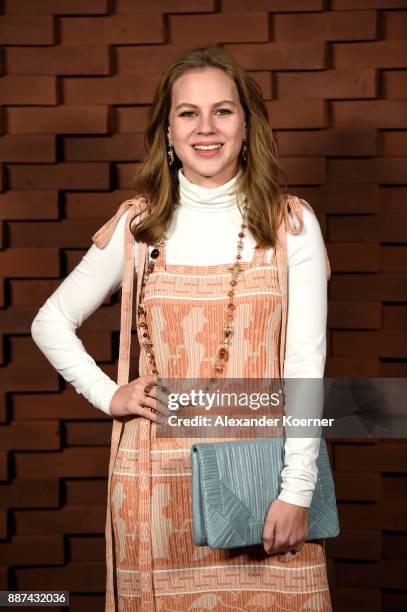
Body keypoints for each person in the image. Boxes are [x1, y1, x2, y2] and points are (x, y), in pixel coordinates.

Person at [31, 46, 333, 611]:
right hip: (153, 483)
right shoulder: (137, 225)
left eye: (223, 110)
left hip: (261, 474)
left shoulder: (291, 223)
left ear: (248, 125)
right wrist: (108, 395)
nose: (206, 128)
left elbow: (303, 367)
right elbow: (50, 321)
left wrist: (297, 490)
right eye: (188, 113)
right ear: (167, 130)